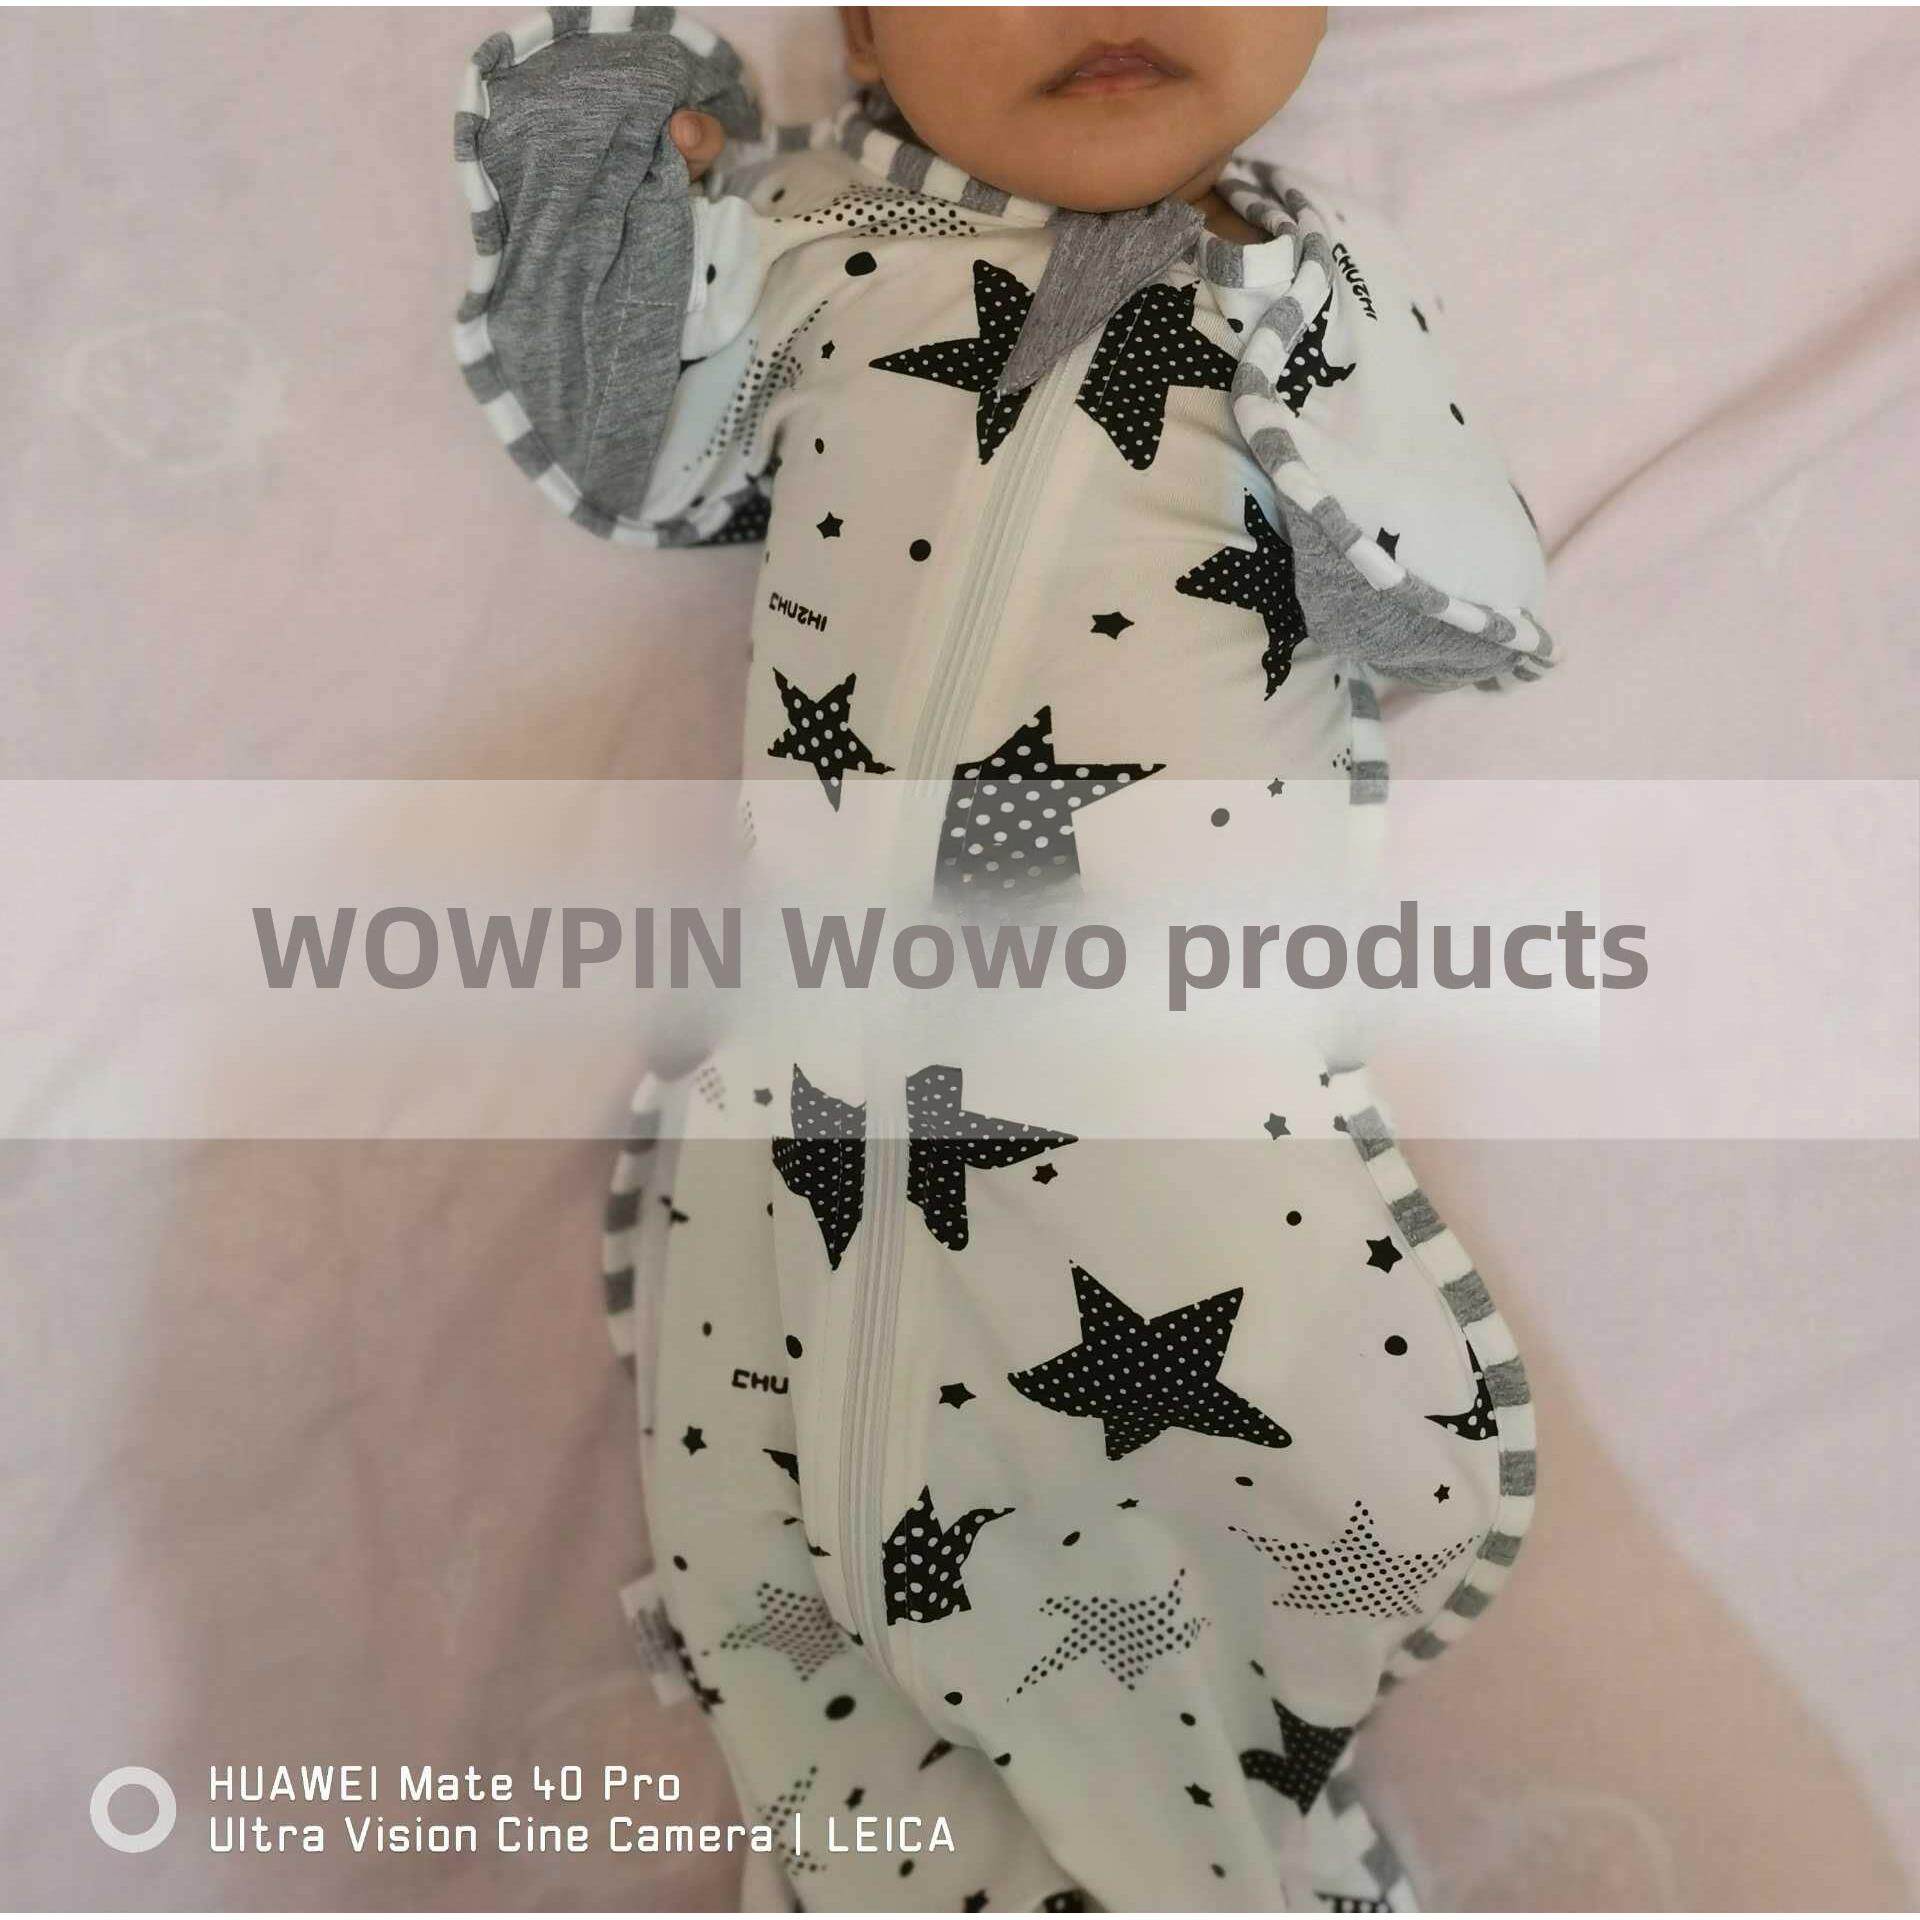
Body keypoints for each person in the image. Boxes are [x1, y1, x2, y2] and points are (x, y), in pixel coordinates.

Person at [452, 8, 1548, 1908]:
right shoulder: (815, 243)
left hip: (1156, 1132)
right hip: (812, 1129)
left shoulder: (1310, 279)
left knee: (1176, 1618)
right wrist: (631, 144)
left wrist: (1295, 338)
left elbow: (1455, 606)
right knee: (812, 1632)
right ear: (865, 26)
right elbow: (629, 445)